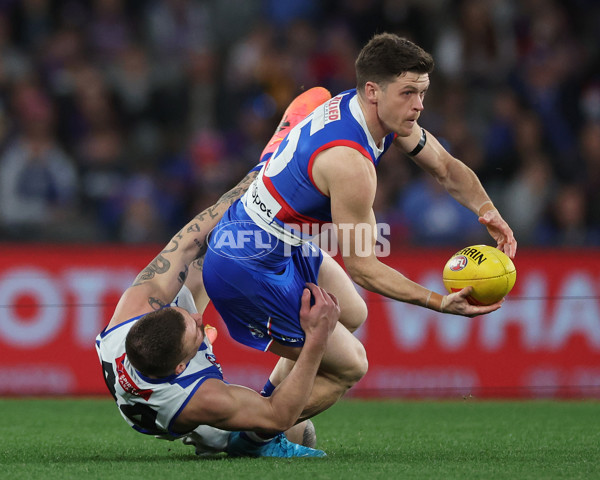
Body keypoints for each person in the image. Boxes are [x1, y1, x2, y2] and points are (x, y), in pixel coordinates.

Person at [202, 33, 518, 421]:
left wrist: (489, 211)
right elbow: (363, 267)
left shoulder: (362, 110)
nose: (419, 105)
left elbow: (447, 168)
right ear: (374, 91)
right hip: (246, 266)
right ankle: (250, 431)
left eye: (422, 92)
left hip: (275, 240)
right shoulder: (350, 162)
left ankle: (267, 407)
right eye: (408, 93)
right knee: (351, 365)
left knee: (351, 312)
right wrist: (438, 302)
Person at [96, 88, 341, 458]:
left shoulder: (135, 307)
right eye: (196, 329)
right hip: (179, 413)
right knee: (297, 430)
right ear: (182, 365)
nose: (200, 317)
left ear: (151, 314)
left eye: (183, 314)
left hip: (151, 375)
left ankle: (267, 193)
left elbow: (191, 238)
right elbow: (278, 414)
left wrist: (257, 181)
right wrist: (316, 338)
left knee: (201, 265)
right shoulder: (200, 399)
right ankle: (247, 445)